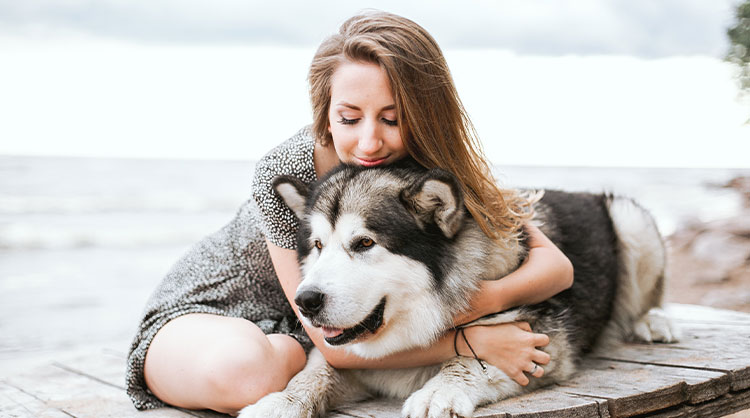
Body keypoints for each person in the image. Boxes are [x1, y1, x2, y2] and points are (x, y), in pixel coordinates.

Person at [126, 10, 574, 415]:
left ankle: (284, 352)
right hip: (212, 318)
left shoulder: (431, 170)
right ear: (325, 115)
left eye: (392, 118)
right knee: (250, 373)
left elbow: (556, 267)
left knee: (281, 359)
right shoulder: (286, 171)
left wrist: (488, 301)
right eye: (349, 117)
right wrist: (468, 339)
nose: (369, 142)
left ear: (425, 116)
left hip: (324, 322)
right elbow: (335, 349)